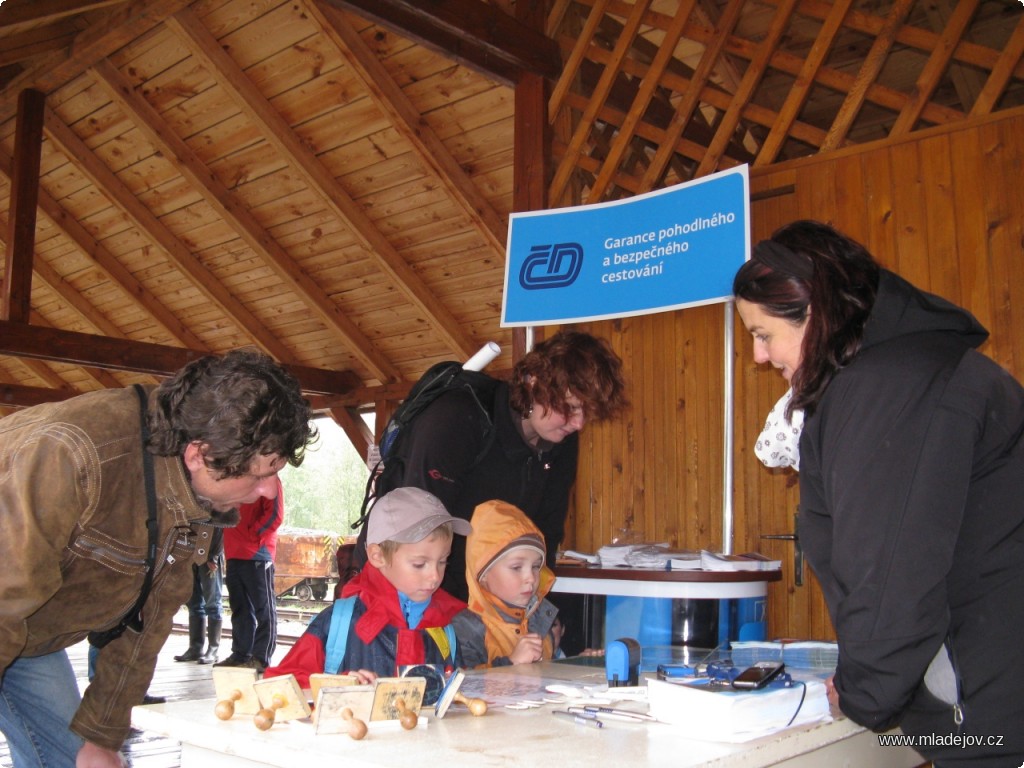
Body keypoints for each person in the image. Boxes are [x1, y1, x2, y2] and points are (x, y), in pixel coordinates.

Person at [732, 220, 1024, 767]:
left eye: (763, 334)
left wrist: (865, 690)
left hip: (992, 714)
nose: (759, 357)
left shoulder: (886, 387)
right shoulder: (915, 368)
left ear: (815, 314)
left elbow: (891, 569)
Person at [0, 349, 315, 768]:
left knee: (75, 758)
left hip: (32, 633)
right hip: (7, 610)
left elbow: (152, 612)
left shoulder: (193, 481)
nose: (270, 491)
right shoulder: (71, 456)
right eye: (259, 474)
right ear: (198, 455)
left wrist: (103, 736)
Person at [358, 331, 628, 654]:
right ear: (532, 382)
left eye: (587, 412)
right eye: (570, 408)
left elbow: (546, 537)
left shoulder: (561, 443)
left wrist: (539, 621)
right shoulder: (457, 417)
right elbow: (417, 538)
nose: (579, 423)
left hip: (479, 609)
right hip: (405, 592)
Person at [265, 487, 470, 694]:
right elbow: (279, 685)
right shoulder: (340, 622)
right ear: (377, 556)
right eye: (419, 564)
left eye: (443, 561)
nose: (435, 576)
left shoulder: (445, 629)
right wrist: (337, 687)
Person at [451, 500, 560, 668]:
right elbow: (463, 685)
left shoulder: (540, 620)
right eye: (516, 567)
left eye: (536, 566)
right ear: (483, 574)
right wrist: (510, 662)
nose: (530, 578)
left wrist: (577, 665)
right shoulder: (466, 628)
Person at [214, 481, 284, 672]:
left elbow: (275, 515)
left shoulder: (268, 479)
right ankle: (240, 654)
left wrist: (254, 535)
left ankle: (261, 658)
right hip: (233, 553)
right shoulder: (233, 478)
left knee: (264, 609)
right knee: (240, 609)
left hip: (257, 554)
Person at [173, 527, 224, 665]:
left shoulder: (214, 505)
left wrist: (214, 556)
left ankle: (213, 650)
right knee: (194, 603)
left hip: (209, 554)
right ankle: (195, 648)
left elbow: (220, 527)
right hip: (190, 554)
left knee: (212, 603)